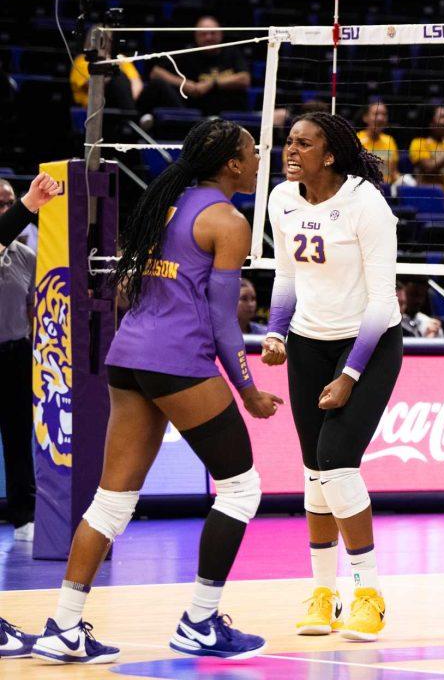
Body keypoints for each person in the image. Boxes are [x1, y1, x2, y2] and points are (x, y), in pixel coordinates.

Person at [31, 120, 279, 664]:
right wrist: (249, 389)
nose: (261, 158)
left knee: (112, 500)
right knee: (241, 489)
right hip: (177, 360)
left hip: (129, 355)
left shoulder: (164, 202)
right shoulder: (227, 220)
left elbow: (128, 288)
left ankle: (63, 627)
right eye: (253, 152)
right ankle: (200, 621)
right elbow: (222, 321)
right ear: (232, 165)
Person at [262, 113, 403, 643]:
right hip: (307, 342)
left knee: (337, 464)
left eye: (305, 143)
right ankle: (325, 593)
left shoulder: (366, 204)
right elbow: (286, 275)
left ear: (330, 154)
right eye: (289, 142)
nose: (291, 150)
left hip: (369, 342)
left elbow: (384, 299)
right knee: (312, 472)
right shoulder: (282, 199)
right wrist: (276, 332)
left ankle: (369, 594)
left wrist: (350, 373)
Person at [0, 178, 54, 546]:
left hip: (15, 352)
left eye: (7, 203)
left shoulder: (26, 255)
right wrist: (30, 201)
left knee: (19, 436)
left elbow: (43, 302)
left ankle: (25, 515)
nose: (4, 208)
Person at [140, 16, 251, 118]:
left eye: (213, 33)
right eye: (203, 34)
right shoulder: (189, 53)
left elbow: (245, 79)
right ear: (196, 36)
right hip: (195, 115)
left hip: (228, 114)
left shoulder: (232, 52)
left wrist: (212, 84)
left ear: (221, 34)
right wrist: (185, 84)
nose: (208, 37)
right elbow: (156, 72)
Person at [69, 26, 142, 109]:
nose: (105, 43)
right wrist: (108, 68)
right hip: (95, 106)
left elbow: (137, 84)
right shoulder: (82, 61)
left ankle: (130, 113)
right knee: (117, 76)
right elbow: (93, 85)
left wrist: (127, 98)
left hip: (122, 103)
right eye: (100, 40)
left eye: (108, 40)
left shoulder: (120, 58)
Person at [408, 104, 444, 199]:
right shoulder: (418, 143)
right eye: (442, 117)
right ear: (431, 123)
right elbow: (429, 169)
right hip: (430, 198)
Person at [357, 101, 400, 185]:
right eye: (376, 114)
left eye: (384, 114)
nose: (380, 118)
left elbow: (394, 172)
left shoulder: (390, 140)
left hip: (386, 190)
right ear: (365, 117)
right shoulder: (357, 140)